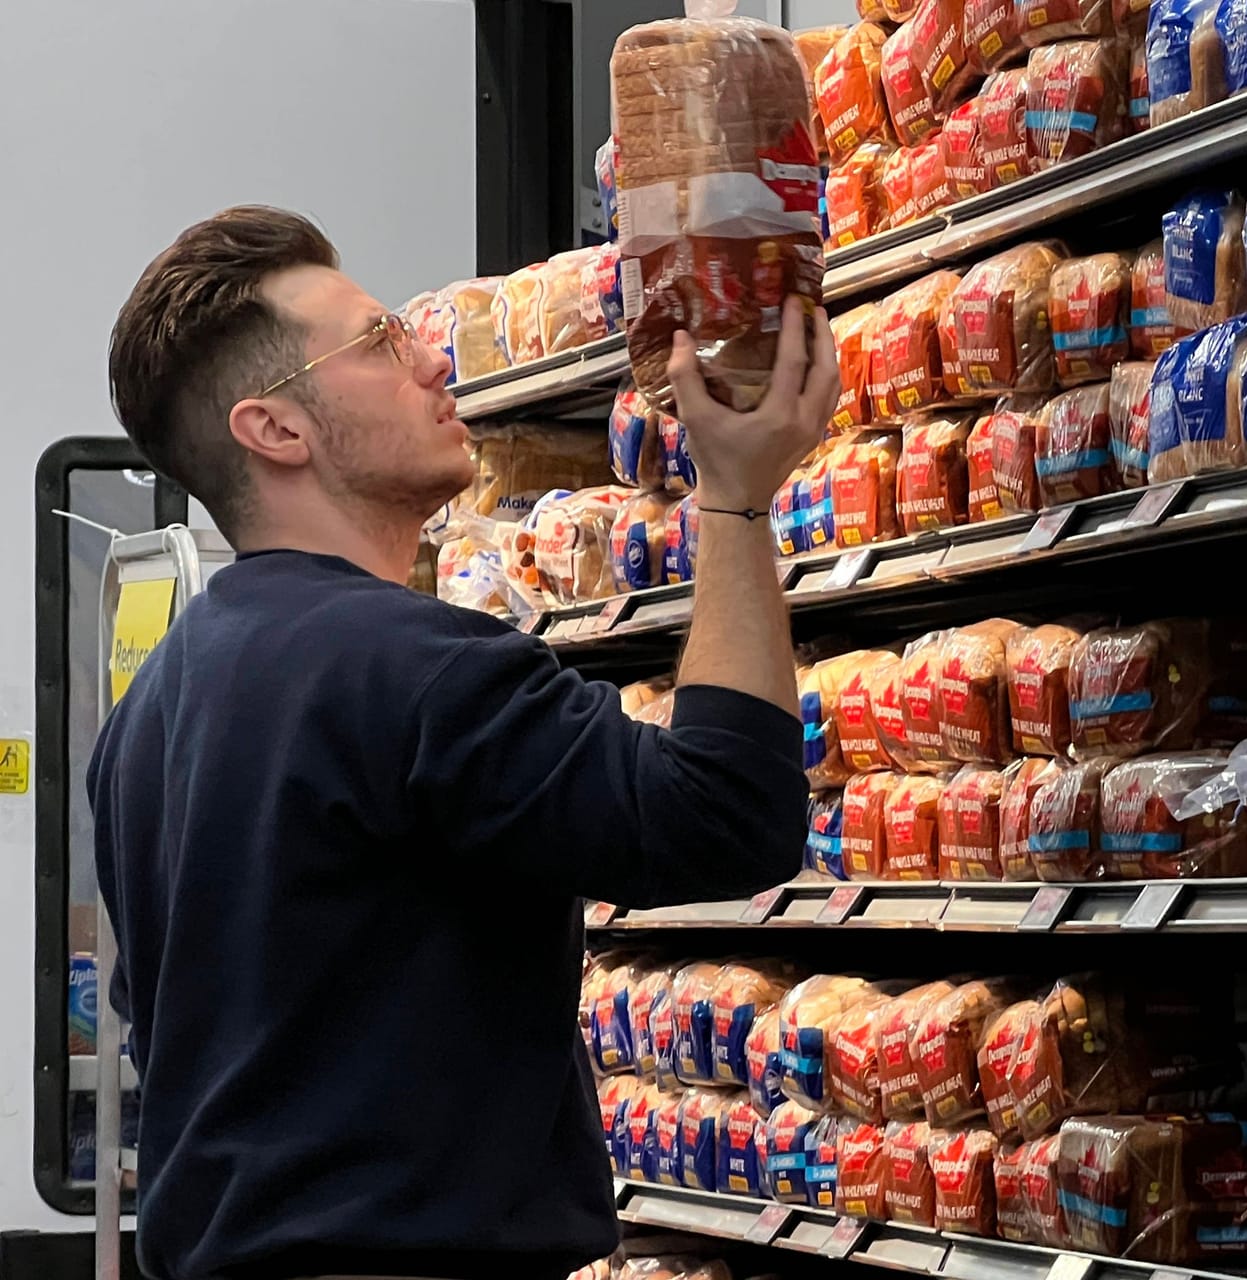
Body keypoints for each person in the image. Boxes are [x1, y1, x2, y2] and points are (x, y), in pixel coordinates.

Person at [91, 205, 836, 1280]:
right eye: (380, 342)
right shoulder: (416, 665)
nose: (434, 355)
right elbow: (725, 813)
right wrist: (732, 498)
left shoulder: (148, 711)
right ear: (275, 430)